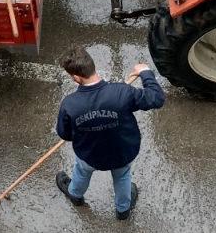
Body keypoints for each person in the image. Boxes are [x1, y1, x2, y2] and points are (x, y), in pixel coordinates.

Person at [54, 47, 165, 219]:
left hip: (89, 155)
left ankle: (75, 195)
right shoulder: (122, 92)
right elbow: (156, 98)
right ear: (92, 67)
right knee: (122, 177)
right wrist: (145, 73)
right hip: (121, 153)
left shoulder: (70, 104)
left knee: (82, 172)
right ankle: (123, 209)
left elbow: (65, 134)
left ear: (76, 77)